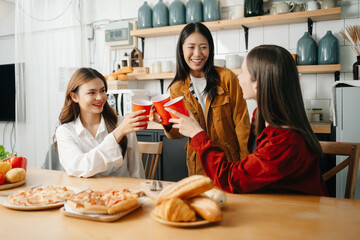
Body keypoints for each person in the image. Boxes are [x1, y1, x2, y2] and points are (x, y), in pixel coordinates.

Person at [165, 45, 328, 196]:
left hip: (294, 219)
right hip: (269, 205)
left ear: (257, 84)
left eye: (242, 72)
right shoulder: (261, 116)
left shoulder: (285, 142)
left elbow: (232, 179)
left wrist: (197, 134)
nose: (238, 77)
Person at [153, 22, 250, 176]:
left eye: (203, 47)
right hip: (198, 164)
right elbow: (178, 134)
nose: (197, 54)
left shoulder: (227, 78)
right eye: (191, 47)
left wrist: (246, 165)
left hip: (230, 161)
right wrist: (166, 122)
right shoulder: (177, 88)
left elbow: (242, 124)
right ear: (182, 50)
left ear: (210, 49)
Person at [56, 68, 146, 178]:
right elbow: (79, 168)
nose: (100, 97)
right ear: (75, 97)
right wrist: (117, 134)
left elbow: (136, 172)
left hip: (123, 193)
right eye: (92, 92)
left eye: (102, 91)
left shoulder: (123, 123)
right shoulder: (66, 131)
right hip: (85, 194)